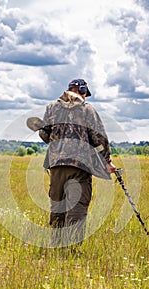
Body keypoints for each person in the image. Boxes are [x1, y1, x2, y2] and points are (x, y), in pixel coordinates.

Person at [39, 78, 116, 249]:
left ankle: (57, 246)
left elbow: (44, 135)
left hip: (56, 165)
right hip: (80, 167)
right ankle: (71, 248)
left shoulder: (51, 107)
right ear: (81, 92)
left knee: (58, 205)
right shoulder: (87, 109)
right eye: (84, 94)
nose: (85, 97)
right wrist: (107, 161)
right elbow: (99, 138)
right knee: (77, 206)